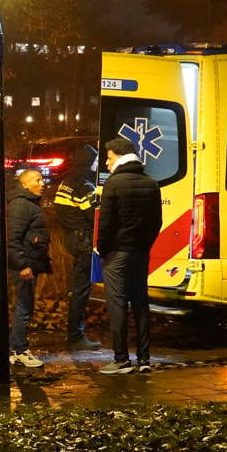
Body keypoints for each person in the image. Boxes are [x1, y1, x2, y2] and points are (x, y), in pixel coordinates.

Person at [95, 136, 162, 374]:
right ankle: (144, 359)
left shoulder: (114, 184)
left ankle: (121, 359)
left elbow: (106, 223)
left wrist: (102, 249)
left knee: (117, 305)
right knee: (141, 304)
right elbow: (156, 222)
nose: (106, 163)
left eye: (109, 157)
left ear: (120, 157)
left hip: (117, 253)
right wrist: (144, 245)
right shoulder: (151, 183)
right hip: (140, 253)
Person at [53, 145, 101, 349]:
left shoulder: (67, 181)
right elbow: (93, 216)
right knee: (81, 290)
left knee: (78, 288)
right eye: (96, 161)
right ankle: (76, 336)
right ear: (88, 162)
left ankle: (75, 334)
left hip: (71, 238)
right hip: (83, 241)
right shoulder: (84, 185)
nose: (98, 164)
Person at [5, 167, 51, 370]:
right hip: (25, 264)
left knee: (26, 305)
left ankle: (17, 349)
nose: (43, 184)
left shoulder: (29, 203)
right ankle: (19, 350)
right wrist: (22, 265)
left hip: (31, 261)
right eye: (38, 180)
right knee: (24, 306)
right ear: (24, 184)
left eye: (42, 180)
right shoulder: (21, 205)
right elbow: (13, 238)